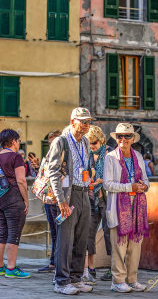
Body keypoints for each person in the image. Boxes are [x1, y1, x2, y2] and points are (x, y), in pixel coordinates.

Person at [48, 107, 94, 295]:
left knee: (82, 239)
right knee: (65, 240)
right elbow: (53, 171)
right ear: (72, 120)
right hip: (68, 194)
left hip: (83, 193)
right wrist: (61, 201)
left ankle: (75, 278)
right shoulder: (61, 141)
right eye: (83, 121)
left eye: (88, 122)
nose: (86, 125)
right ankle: (61, 281)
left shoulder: (84, 142)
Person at [103, 123, 149, 293]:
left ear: (132, 139)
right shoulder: (110, 157)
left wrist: (144, 186)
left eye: (127, 136)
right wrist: (130, 187)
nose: (123, 139)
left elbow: (146, 179)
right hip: (118, 206)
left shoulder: (138, 155)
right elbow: (107, 185)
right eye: (119, 136)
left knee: (135, 246)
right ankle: (117, 281)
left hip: (137, 206)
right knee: (119, 246)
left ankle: (132, 279)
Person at [82, 126, 112, 284]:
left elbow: (115, 177)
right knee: (88, 233)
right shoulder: (87, 154)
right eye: (89, 143)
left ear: (101, 140)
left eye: (93, 143)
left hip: (106, 198)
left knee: (109, 233)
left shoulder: (109, 153)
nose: (91, 146)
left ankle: (114, 267)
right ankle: (90, 268)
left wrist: (101, 181)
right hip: (91, 198)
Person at [0, 129, 30, 278]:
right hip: (13, 199)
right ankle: (11, 268)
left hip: (0, 198)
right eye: (18, 141)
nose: (19, 143)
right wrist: (26, 200)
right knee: (14, 233)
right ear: (13, 141)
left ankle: (0, 267)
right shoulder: (16, 157)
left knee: (1, 234)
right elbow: (21, 180)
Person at [35, 130, 61, 273]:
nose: (51, 144)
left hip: (55, 198)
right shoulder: (50, 155)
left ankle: (56, 263)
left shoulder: (60, 155)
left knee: (58, 232)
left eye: (53, 142)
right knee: (54, 231)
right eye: (50, 142)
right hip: (49, 198)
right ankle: (53, 263)